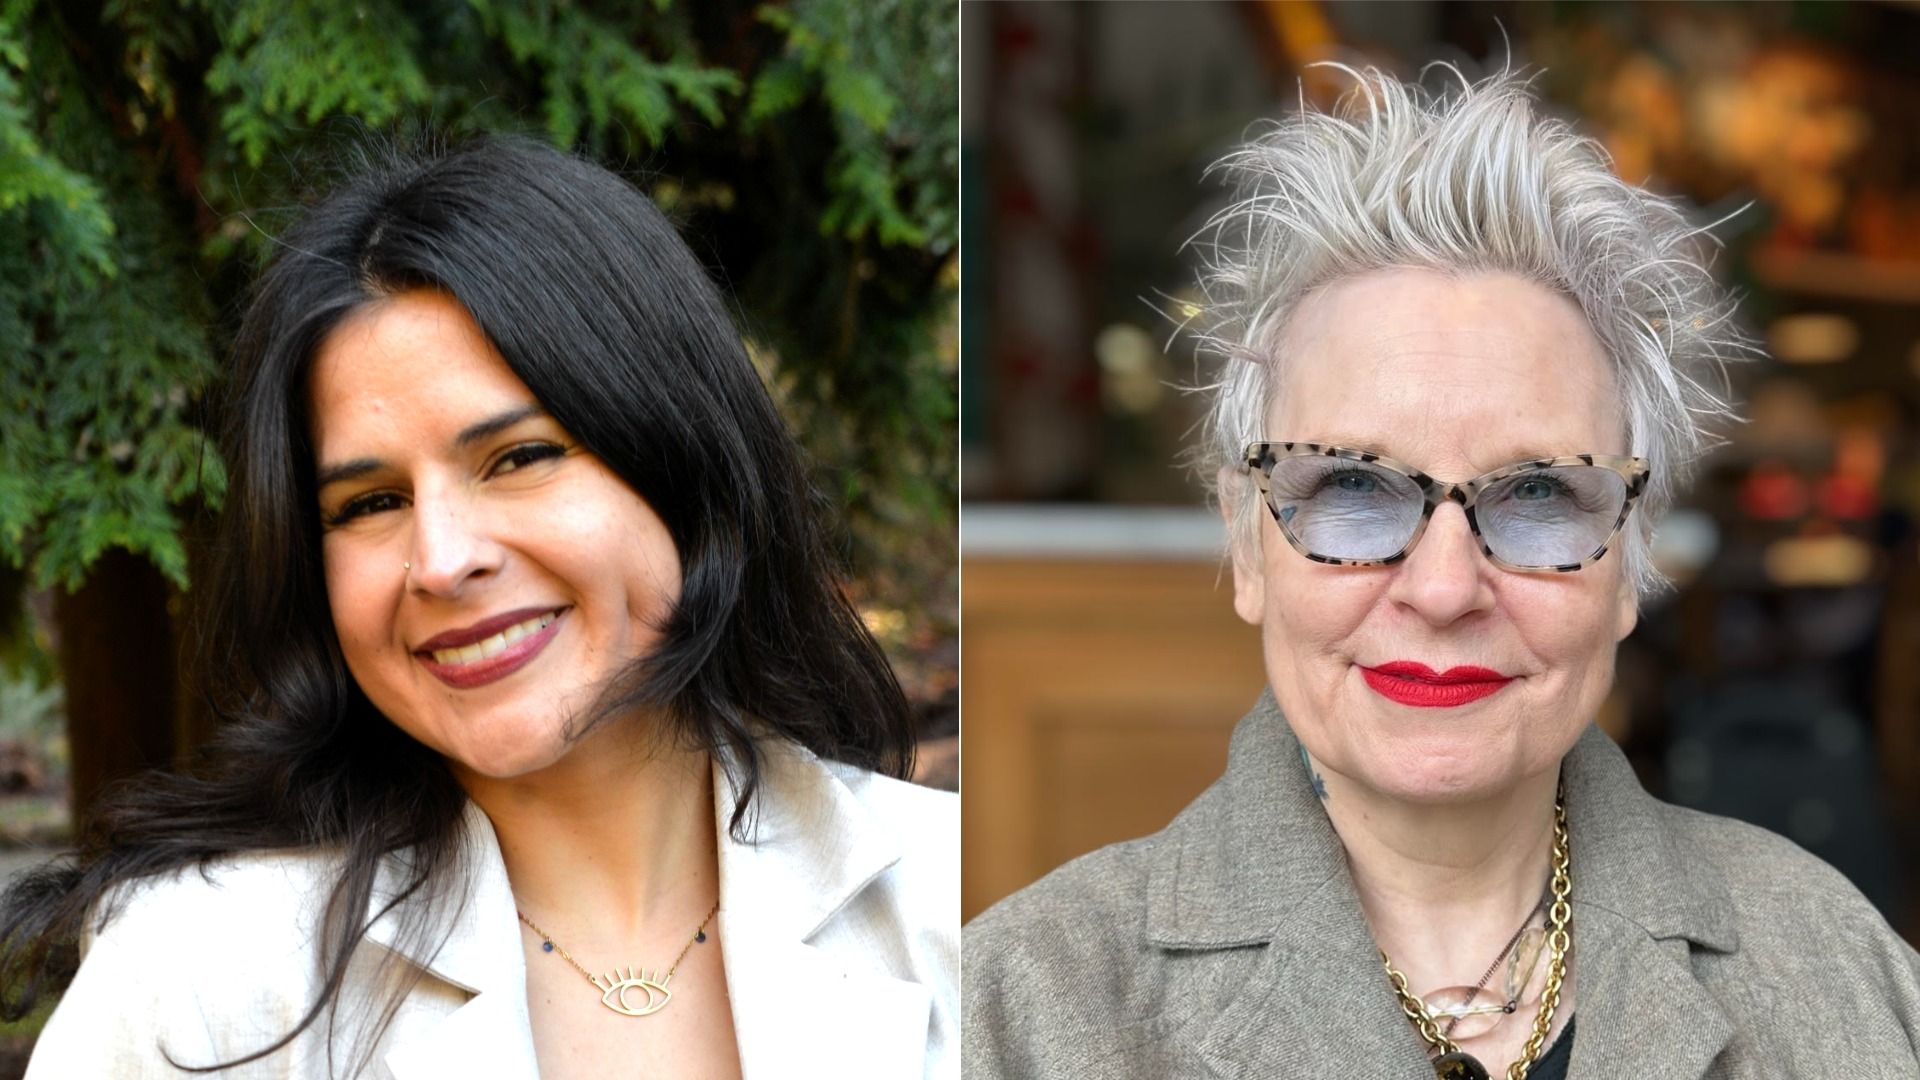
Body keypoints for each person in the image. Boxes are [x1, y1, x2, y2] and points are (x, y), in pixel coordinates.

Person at [962, 64, 1920, 1079]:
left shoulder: (1843, 976)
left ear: (1632, 561)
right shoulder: (1021, 1007)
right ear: (1247, 541)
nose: (1444, 588)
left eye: (1540, 494)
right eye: (1353, 489)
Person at [3, 137, 957, 1079]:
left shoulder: (977, 904)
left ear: (682, 458)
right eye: (370, 504)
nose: (443, 560)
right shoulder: (193, 984)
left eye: (518, 458)